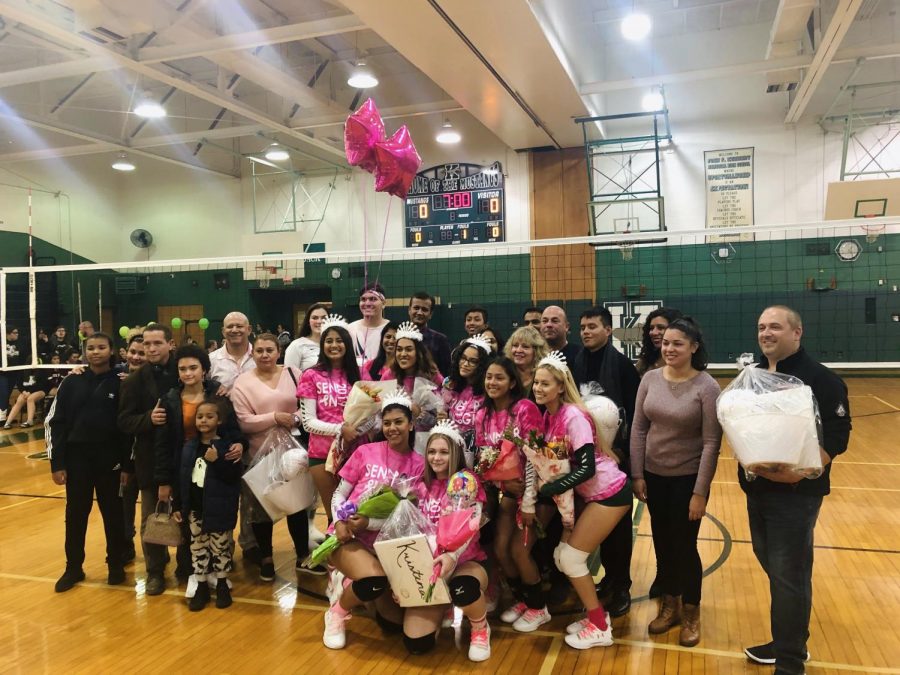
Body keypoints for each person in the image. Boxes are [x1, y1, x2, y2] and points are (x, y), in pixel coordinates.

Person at [741, 306, 851, 674]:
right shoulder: (753, 376)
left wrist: (801, 473)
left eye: (775, 326)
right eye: (761, 327)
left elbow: (837, 437)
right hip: (758, 491)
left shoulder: (822, 379)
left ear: (797, 332)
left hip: (795, 496)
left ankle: (790, 662)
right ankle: (787, 640)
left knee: (789, 574)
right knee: (777, 568)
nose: (766, 333)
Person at [522, 352, 633, 650]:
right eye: (536, 383)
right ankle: (595, 617)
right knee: (562, 556)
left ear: (561, 386)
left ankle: (599, 626)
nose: (538, 388)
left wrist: (551, 488)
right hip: (590, 496)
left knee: (571, 559)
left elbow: (587, 467)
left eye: (546, 384)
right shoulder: (548, 416)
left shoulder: (573, 415)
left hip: (609, 492)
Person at [630, 317, 722, 647]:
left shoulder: (707, 387)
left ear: (694, 348)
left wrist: (700, 492)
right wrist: (638, 474)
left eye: (677, 343)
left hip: (687, 479)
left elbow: (712, 441)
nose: (669, 348)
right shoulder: (650, 379)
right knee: (664, 543)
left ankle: (691, 612)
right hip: (654, 477)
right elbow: (639, 428)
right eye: (666, 342)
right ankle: (670, 604)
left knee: (685, 548)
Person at [323, 392, 425, 650]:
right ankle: (336, 613)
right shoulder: (366, 451)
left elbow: (406, 517)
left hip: (385, 545)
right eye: (387, 422)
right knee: (373, 581)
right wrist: (339, 522)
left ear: (411, 424)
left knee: (393, 625)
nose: (392, 428)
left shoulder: (419, 465)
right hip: (348, 536)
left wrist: (367, 522)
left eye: (399, 422)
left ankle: (352, 585)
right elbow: (339, 493)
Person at [46, 333, 131, 592]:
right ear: (85, 352)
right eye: (91, 348)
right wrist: (57, 462)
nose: (96, 352)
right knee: (75, 515)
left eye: (101, 347)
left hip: (111, 461)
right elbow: (57, 423)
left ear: (111, 350)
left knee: (114, 514)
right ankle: (74, 567)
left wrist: (127, 465)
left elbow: (127, 429)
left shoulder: (121, 382)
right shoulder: (72, 382)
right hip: (77, 460)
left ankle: (115, 565)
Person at [570, 306, 641, 617]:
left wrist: (622, 453)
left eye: (593, 326)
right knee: (586, 524)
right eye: (583, 327)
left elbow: (634, 417)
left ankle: (620, 584)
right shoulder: (574, 362)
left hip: (615, 461)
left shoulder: (624, 367)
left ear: (608, 330)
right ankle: (599, 581)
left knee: (618, 528)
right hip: (582, 458)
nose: (586, 331)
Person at [231, 334, 318, 581]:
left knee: (297, 505)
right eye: (259, 351)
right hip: (259, 454)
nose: (265, 355)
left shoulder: (294, 373)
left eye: (269, 350)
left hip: (292, 453)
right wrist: (274, 417)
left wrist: (297, 419)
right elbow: (243, 421)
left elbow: (308, 406)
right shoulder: (242, 383)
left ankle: (302, 554)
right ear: (253, 354)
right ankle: (266, 557)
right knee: (260, 509)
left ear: (278, 351)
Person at [404, 422, 491, 661]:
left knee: (463, 589)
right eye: (432, 451)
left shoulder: (465, 480)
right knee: (416, 643)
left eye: (444, 452)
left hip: (464, 562)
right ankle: (442, 607)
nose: (436, 457)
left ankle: (480, 628)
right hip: (431, 568)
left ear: (455, 454)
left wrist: (452, 557)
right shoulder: (420, 484)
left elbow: (470, 528)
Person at [475, 356, 542, 624]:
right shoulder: (482, 414)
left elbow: (536, 458)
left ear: (512, 382)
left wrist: (528, 499)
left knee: (519, 550)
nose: (492, 382)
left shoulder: (525, 409)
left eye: (499, 377)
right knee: (501, 550)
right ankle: (522, 599)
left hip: (534, 494)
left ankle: (539, 607)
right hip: (507, 493)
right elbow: (483, 464)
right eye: (489, 377)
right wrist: (501, 484)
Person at [118, 322, 182, 595]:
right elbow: (123, 421)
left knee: (185, 515)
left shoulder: (185, 371)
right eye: (147, 343)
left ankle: (187, 565)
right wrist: (148, 419)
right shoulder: (133, 381)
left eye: (157, 343)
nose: (151, 348)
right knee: (151, 517)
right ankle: (154, 571)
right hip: (150, 460)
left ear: (170, 343)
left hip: (184, 456)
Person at [172, 399, 242, 611]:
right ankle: (201, 585)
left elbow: (232, 477)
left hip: (219, 509)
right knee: (198, 547)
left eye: (209, 416)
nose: (203, 420)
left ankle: (221, 583)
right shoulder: (189, 447)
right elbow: (182, 477)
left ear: (219, 420)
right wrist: (178, 505)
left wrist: (217, 460)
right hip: (195, 509)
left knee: (220, 547)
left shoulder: (227, 447)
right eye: (200, 416)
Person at [297, 318, 360, 532]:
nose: (334, 345)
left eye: (339, 340)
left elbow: (371, 409)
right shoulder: (311, 375)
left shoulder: (359, 374)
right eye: (329, 341)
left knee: (354, 512)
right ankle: (332, 563)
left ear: (347, 344)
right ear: (322, 345)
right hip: (322, 455)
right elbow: (308, 422)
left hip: (356, 453)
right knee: (334, 515)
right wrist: (340, 429)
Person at [442, 334, 491, 464]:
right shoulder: (450, 384)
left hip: (479, 454)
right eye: (463, 358)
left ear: (482, 366)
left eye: (472, 361)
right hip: (451, 450)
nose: (465, 364)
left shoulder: (488, 391)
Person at [208, 311, 254, 392]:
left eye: (239, 326)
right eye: (230, 326)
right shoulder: (211, 360)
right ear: (223, 331)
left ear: (249, 330)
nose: (234, 330)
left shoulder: (261, 358)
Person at [408, 292, 452, 376]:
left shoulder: (440, 340)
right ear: (409, 310)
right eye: (416, 308)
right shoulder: (399, 336)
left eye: (424, 309)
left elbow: (447, 373)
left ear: (431, 314)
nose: (420, 312)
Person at [348, 283, 389, 365]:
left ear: (383, 303)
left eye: (373, 299)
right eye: (363, 299)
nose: (367, 303)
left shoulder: (392, 329)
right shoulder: (349, 329)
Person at [636, 307, 683, 376]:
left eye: (661, 328)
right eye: (651, 328)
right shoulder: (644, 363)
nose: (654, 333)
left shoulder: (687, 362)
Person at [284, 303, 329, 372]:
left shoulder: (335, 345)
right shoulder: (297, 345)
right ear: (308, 321)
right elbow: (290, 376)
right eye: (315, 318)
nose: (319, 321)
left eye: (324, 318)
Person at [503, 326, 549, 394]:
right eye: (515, 345)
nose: (518, 350)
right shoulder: (505, 373)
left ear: (536, 351)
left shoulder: (545, 375)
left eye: (525, 347)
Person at [1, 326, 23, 424]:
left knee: (7, 394)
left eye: (17, 332)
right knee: (4, 393)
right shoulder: (1, 343)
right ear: (8, 334)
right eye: (14, 332)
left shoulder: (19, 343)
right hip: (2, 373)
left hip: (14, 373)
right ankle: (1, 417)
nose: (17, 334)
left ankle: (5, 416)